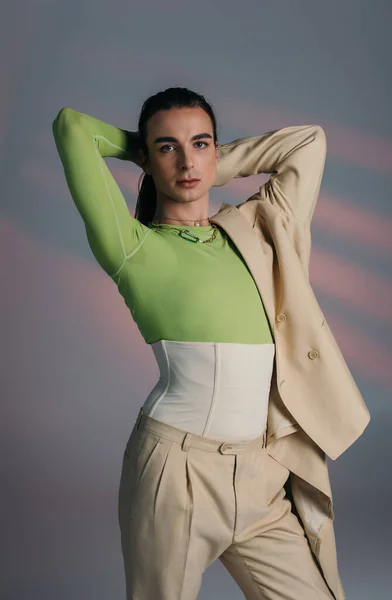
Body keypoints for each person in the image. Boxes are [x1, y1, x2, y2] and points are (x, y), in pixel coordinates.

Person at [52, 87, 369, 600]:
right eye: (168, 148)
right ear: (148, 160)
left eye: (200, 143)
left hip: (263, 474)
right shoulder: (134, 249)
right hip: (177, 475)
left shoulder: (257, 231)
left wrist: (200, 162)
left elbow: (307, 144)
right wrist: (148, 154)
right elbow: (71, 126)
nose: (187, 160)